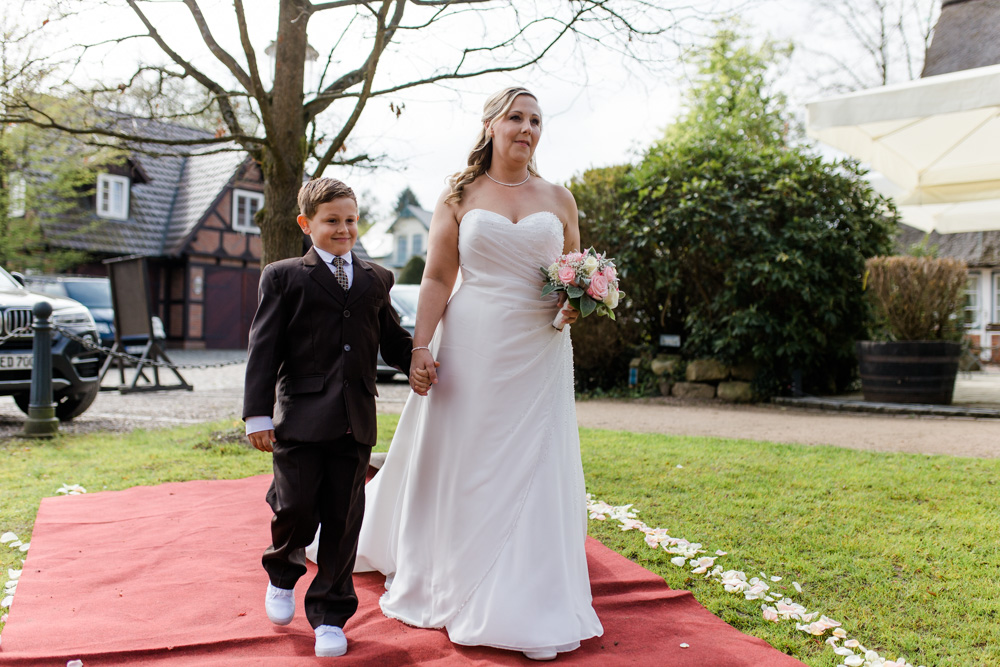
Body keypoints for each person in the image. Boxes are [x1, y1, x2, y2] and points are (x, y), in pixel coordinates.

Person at [355, 86, 604, 661]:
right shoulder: (460, 194)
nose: (528, 128)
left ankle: (530, 595)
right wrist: (420, 348)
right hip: (472, 340)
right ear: (490, 125)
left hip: (540, 346)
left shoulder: (560, 197)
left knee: (534, 463)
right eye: (516, 117)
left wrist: (576, 303)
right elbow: (440, 276)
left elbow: (575, 271)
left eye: (537, 120)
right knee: (468, 457)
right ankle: (455, 567)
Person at [243, 177, 415, 658]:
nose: (344, 229)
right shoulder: (283, 276)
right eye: (332, 221)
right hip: (299, 418)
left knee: (343, 522)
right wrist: (258, 414)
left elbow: (393, 339)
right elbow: (264, 348)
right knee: (295, 507)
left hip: (354, 419)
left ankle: (330, 616)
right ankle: (282, 573)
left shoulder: (377, 278)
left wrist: (420, 360)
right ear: (306, 224)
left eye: (351, 220)